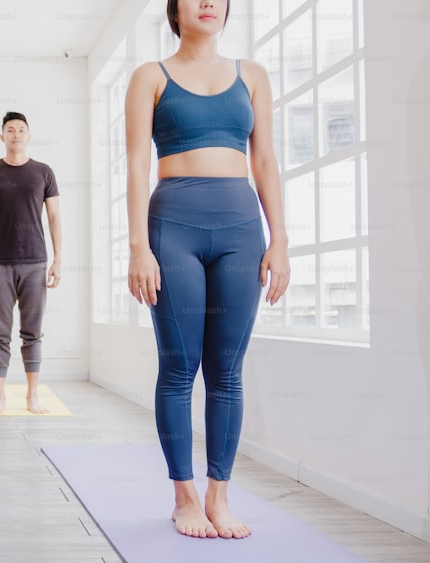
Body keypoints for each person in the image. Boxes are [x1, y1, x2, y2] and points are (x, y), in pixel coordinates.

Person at [124, 0, 290, 539]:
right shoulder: (151, 75)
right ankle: (184, 496)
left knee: (227, 369)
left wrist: (280, 240)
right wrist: (137, 248)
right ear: (175, 10)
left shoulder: (254, 77)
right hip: (173, 226)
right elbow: (134, 164)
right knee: (179, 365)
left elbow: (263, 160)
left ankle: (219, 495)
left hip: (242, 229)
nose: (209, 2)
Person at [0, 111, 62, 414]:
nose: (16, 134)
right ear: (2, 136)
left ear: (29, 135)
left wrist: (58, 259)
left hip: (35, 262)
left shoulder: (44, 172)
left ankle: (32, 396)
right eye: (10, 130)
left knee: (32, 331)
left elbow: (54, 218)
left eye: (21, 129)